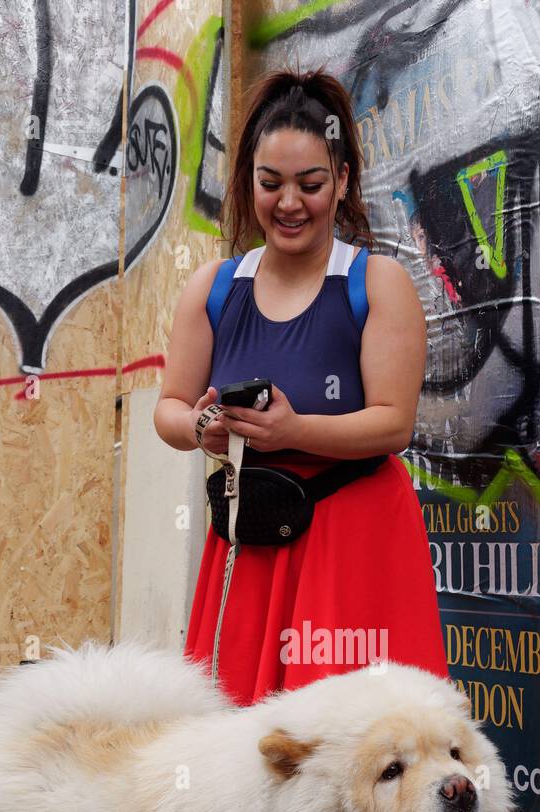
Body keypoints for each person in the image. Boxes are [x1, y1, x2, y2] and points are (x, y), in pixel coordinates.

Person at [153, 67, 450, 705]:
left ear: (342, 182)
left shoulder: (378, 284)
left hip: (355, 543)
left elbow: (394, 424)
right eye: (271, 183)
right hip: (251, 534)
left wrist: (293, 431)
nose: (290, 202)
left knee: (360, 746)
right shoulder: (212, 288)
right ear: (249, 184)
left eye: (310, 184)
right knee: (240, 746)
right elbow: (170, 411)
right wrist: (206, 427)